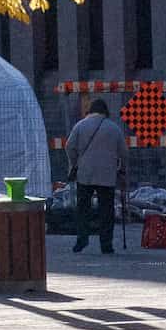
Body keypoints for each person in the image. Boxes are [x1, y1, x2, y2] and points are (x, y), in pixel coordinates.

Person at [66, 98, 129, 254]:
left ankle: (82, 239)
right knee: (106, 210)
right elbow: (123, 152)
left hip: (85, 173)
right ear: (105, 111)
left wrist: (74, 163)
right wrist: (121, 169)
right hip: (107, 175)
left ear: (90, 111)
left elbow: (69, 146)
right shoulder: (114, 128)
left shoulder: (80, 125)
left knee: (83, 209)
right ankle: (106, 244)